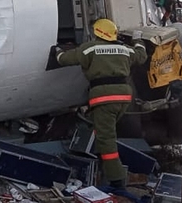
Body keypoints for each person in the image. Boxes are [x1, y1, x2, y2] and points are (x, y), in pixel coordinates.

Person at [53, 19, 147, 189]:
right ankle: (103, 166)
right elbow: (141, 55)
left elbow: (64, 60)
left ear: (97, 33)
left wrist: (57, 50)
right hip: (123, 98)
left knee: (106, 139)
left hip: (104, 98)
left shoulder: (90, 48)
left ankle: (117, 179)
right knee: (104, 131)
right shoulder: (124, 49)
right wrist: (138, 40)